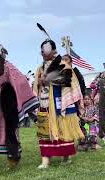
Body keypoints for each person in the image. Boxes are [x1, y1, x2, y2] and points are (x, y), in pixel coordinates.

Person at [33, 39, 84, 169]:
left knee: (63, 131)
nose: (43, 52)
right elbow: (36, 86)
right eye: (42, 49)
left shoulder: (63, 65)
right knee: (44, 132)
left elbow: (70, 82)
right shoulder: (40, 68)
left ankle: (66, 156)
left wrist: (50, 79)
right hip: (44, 103)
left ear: (53, 50)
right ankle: (45, 160)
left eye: (45, 49)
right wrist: (39, 82)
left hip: (60, 103)